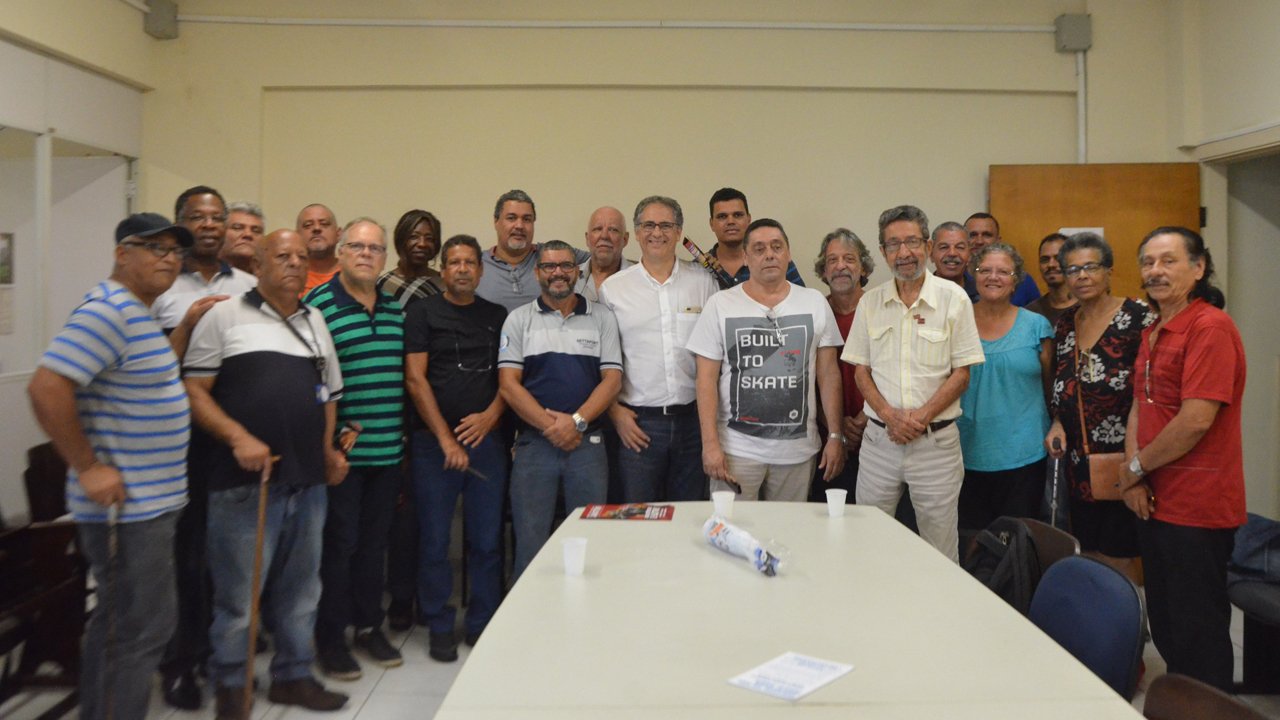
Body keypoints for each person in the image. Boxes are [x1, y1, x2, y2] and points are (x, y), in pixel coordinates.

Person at [27, 213, 196, 720]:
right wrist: (87, 466)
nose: (169, 258)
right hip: (129, 511)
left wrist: (184, 332)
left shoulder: (138, 313)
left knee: (120, 626)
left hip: (150, 505)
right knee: (142, 630)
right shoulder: (107, 312)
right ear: (123, 253)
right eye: (156, 248)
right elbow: (46, 386)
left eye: (175, 251)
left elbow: (139, 376)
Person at [183, 229, 349, 719]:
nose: (295, 263)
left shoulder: (315, 318)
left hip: (307, 479)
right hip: (243, 482)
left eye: (301, 256)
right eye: (282, 256)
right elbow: (194, 390)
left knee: (302, 590)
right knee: (239, 597)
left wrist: (327, 451)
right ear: (257, 263)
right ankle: (232, 683)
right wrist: (237, 437)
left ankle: (293, 677)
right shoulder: (223, 316)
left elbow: (330, 396)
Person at [1119, 226, 1246, 692]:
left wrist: (1134, 468)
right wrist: (1132, 476)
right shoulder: (1154, 330)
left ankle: (1208, 708)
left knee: (1199, 632)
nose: (1155, 270)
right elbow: (1139, 405)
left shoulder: (1210, 327)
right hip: (1154, 498)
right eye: (1148, 261)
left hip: (1198, 504)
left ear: (1198, 268)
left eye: (1168, 260)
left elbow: (1195, 420)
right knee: (1169, 625)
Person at [154, 186, 257, 710]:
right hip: (179, 444)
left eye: (218, 217)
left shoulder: (249, 284)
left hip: (229, 437)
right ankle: (180, 663)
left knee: (230, 559)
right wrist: (191, 320)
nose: (212, 225)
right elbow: (152, 373)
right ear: (181, 224)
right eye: (200, 217)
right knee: (186, 559)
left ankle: (227, 664)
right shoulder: (161, 284)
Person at [845, 205, 984, 562]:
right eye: (893, 244)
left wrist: (918, 418)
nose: (903, 253)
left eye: (911, 242)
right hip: (879, 442)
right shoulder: (870, 303)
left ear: (927, 244)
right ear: (882, 252)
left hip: (935, 444)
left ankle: (941, 615)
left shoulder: (954, 300)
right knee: (868, 536)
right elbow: (861, 370)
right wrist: (890, 416)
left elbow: (962, 373)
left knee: (939, 546)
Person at [305, 218, 407, 680]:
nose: (367, 254)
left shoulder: (394, 310)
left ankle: (369, 627)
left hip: (387, 455)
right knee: (338, 548)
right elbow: (308, 382)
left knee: (372, 547)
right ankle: (330, 639)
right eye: (358, 246)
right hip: (340, 459)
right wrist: (328, 446)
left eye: (376, 248)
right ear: (341, 252)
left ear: (385, 259)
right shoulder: (317, 306)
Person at [404, 234, 508, 663]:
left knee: (486, 541)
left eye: (470, 263)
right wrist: (447, 439)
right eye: (455, 263)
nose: (463, 269)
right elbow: (415, 379)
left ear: (481, 271)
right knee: (434, 541)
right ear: (443, 271)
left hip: (488, 441)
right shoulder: (422, 313)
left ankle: (481, 622)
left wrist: (489, 417)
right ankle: (439, 623)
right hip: (434, 446)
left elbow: (511, 378)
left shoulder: (498, 315)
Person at [687, 219, 844, 502]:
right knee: (731, 534)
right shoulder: (720, 305)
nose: (769, 254)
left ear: (788, 253)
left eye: (776, 247)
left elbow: (829, 375)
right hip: (736, 450)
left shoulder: (814, 302)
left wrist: (835, 435)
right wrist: (710, 445)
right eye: (759, 249)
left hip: (796, 451)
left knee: (788, 536)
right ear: (746, 257)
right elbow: (706, 380)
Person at [498, 241, 622, 579]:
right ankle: (531, 625)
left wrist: (577, 423)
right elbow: (509, 385)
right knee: (531, 543)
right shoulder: (518, 320)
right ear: (537, 273)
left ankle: (585, 623)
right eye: (549, 266)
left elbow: (612, 380)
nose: (558, 273)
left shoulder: (602, 317)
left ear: (577, 271)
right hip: (534, 447)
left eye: (566, 266)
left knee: (589, 539)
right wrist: (553, 427)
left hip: (589, 447)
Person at [1044, 232, 1154, 583]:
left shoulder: (1139, 317)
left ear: (1108, 270)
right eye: (1072, 269)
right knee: (1087, 546)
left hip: (1126, 457)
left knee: (1123, 551)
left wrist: (1137, 461)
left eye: (1091, 266)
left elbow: (1152, 390)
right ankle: (1097, 623)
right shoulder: (1065, 324)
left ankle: (1130, 625)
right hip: (1078, 457)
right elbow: (1064, 383)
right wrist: (1058, 422)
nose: (1082, 276)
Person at [599, 196, 718, 502]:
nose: (657, 233)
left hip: (694, 422)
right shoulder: (614, 288)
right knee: (639, 518)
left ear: (679, 232)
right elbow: (600, 361)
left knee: (689, 515)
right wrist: (614, 413)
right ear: (636, 233)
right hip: (636, 424)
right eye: (648, 225)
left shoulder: (703, 282)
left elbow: (719, 355)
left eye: (666, 225)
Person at [956, 243, 1053, 531]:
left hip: (1024, 454)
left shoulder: (1037, 326)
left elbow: (1050, 388)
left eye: (1003, 271)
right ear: (974, 276)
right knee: (970, 542)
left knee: (1017, 544)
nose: (993, 277)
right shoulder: (955, 321)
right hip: (964, 451)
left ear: (1017, 279)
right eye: (984, 270)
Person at [808, 228, 873, 503]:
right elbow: (805, 378)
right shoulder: (813, 312)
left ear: (863, 266)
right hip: (827, 440)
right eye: (832, 260)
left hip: (876, 433)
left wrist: (863, 421)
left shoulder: (880, 309)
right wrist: (835, 425)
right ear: (823, 270)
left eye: (849, 259)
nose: (840, 266)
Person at [705, 187, 805, 286]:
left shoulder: (774, 261)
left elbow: (800, 298)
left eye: (737, 215)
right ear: (711, 224)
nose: (730, 221)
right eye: (722, 216)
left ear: (748, 219)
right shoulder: (702, 266)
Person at [963, 212, 1040, 306]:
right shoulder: (957, 279)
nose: (979, 241)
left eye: (987, 235)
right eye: (973, 235)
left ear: (998, 240)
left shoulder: (1022, 281)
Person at [378, 209, 444, 309]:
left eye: (429, 238)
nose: (422, 244)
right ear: (401, 240)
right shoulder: (382, 286)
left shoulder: (444, 285)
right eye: (414, 237)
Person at [577, 206, 631, 302]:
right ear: (587, 239)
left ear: (625, 239)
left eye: (613, 230)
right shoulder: (568, 278)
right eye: (597, 229)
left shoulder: (641, 280)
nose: (604, 236)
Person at [1024, 232, 1077, 325]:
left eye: (1058, 258)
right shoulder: (1030, 314)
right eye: (1045, 259)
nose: (1051, 264)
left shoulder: (1088, 308)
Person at [298, 203, 341, 296]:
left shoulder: (352, 274)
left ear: (338, 234)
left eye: (324, 224)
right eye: (308, 225)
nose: (316, 228)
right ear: (297, 236)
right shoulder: (289, 277)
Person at [221, 201, 265, 275]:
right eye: (238, 228)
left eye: (256, 230)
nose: (248, 234)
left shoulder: (270, 280)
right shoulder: (205, 274)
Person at [930, 221, 970, 287]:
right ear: (931, 254)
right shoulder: (919, 293)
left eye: (960, 247)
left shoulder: (981, 291)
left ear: (969, 254)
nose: (952, 253)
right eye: (944, 247)